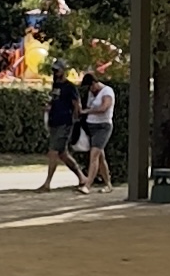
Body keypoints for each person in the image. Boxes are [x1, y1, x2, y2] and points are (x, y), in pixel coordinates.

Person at [40, 61, 82, 189]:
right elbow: (54, 101)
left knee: (53, 152)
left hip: (64, 122)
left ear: (64, 71)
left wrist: (75, 121)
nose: (55, 73)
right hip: (54, 121)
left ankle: (47, 183)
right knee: (63, 154)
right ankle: (82, 177)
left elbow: (76, 105)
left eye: (57, 70)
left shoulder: (70, 87)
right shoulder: (56, 85)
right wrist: (49, 108)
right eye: (53, 70)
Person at [79, 68, 117, 191]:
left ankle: (87, 185)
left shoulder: (107, 91)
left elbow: (104, 108)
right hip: (92, 126)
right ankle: (108, 184)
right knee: (100, 157)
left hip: (103, 126)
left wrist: (87, 111)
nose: (90, 90)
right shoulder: (92, 94)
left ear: (94, 83)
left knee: (94, 155)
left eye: (91, 87)